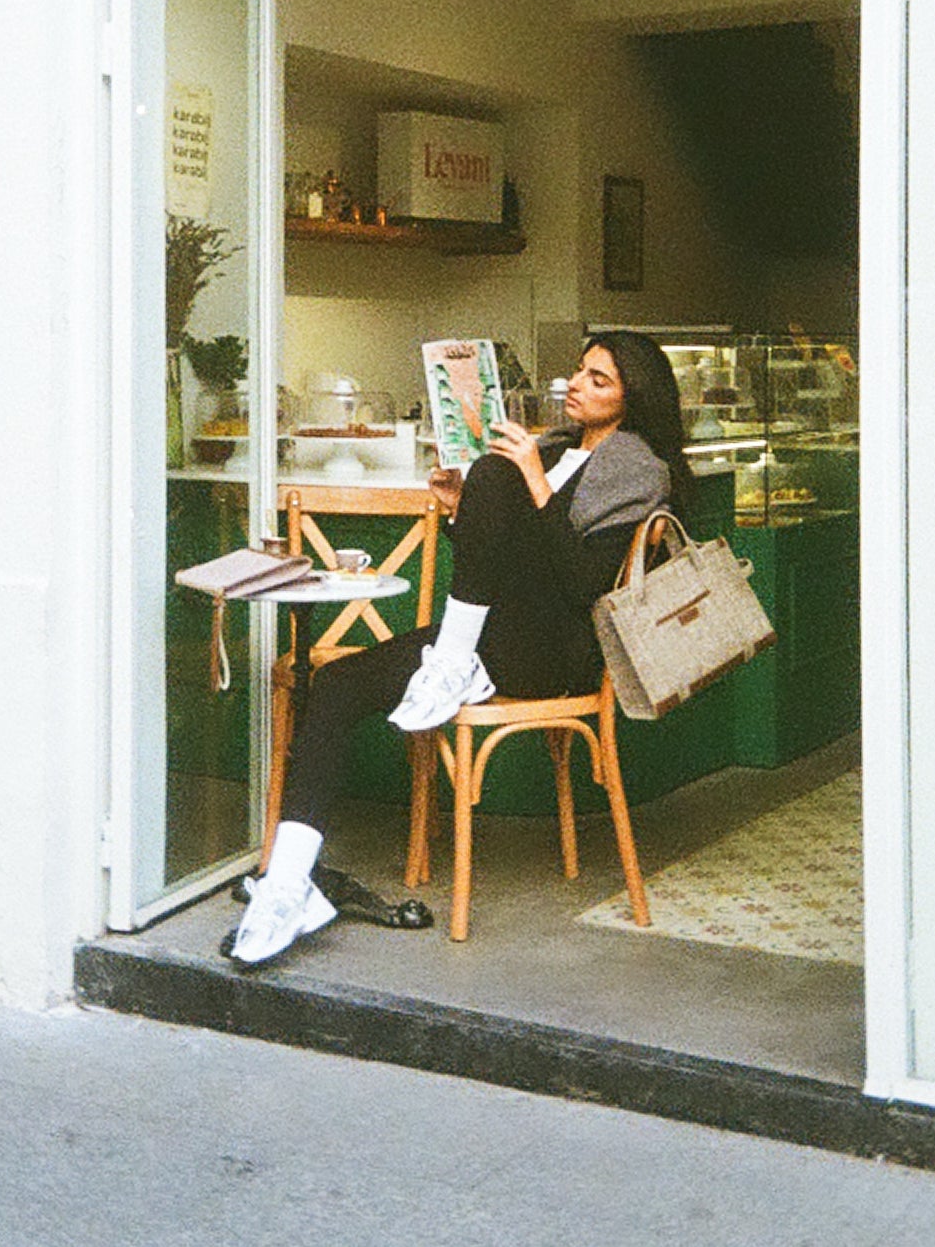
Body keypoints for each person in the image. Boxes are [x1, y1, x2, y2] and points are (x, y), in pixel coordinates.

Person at [230, 329, 692, 965]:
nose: (577, 386)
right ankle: (288, 885)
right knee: (336, 686)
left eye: (599, 379)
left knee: (497, 471)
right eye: (580, 372)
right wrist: (460, 512)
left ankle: (450, 664)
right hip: (483, 639)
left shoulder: (636, 468)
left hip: (549, 655)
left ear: (634, 397)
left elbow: (581, 585)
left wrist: (531, 483)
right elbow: (502, 558)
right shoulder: (555, 447)